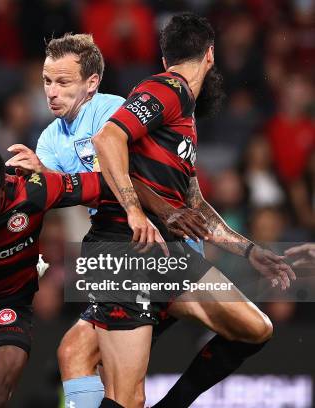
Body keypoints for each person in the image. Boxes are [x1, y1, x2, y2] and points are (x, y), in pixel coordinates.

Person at [90, 13, 294, 407]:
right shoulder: (170, 89)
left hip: (168, 258)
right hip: (125, 250)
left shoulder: (182, 118)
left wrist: (250, 251)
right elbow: (107, 138)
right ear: (211, 56)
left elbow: (195, 206)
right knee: (125, 397)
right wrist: (136, 211)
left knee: (255, 327)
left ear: (166, 57)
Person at [6, 33, 208, 408]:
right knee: (74, 355)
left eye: (63, 82)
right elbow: (63, 195)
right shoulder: (50, 138)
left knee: (120, 389)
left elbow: (108, 185)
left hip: (160, 245)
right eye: (47, 81)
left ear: (91, 83)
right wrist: (34, 185)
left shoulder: (115, 111)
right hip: (122, 249)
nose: (51, 92)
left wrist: (47, 180)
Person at [0, 145, 176, 408]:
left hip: (4, 306)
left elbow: (111, 183)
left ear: (2, 188)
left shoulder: (34, 191)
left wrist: (167, 211)